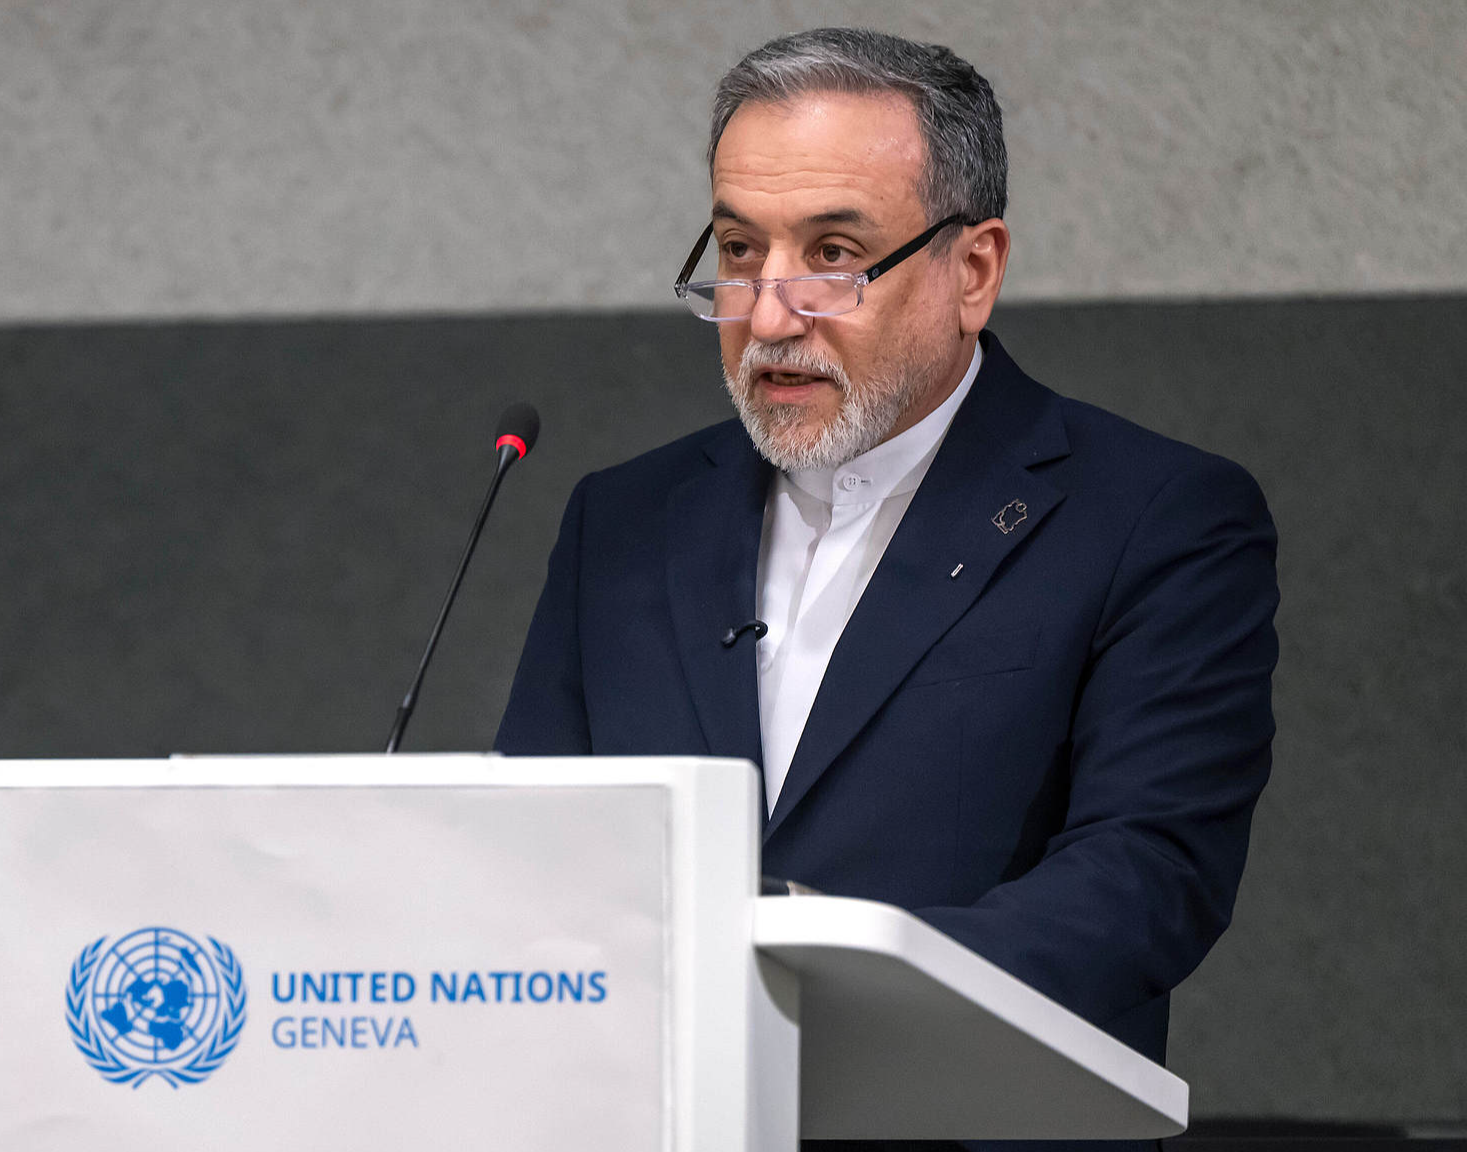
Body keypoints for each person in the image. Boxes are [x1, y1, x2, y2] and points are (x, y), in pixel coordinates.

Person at [494, 24, 1278, 1125]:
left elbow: (1144, 882)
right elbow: (531, 858)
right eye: (735, 250)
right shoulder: (621, 522)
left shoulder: (1150, 518)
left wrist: (813, 965)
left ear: (971, 270)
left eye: (830, 255)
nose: (767, 316)